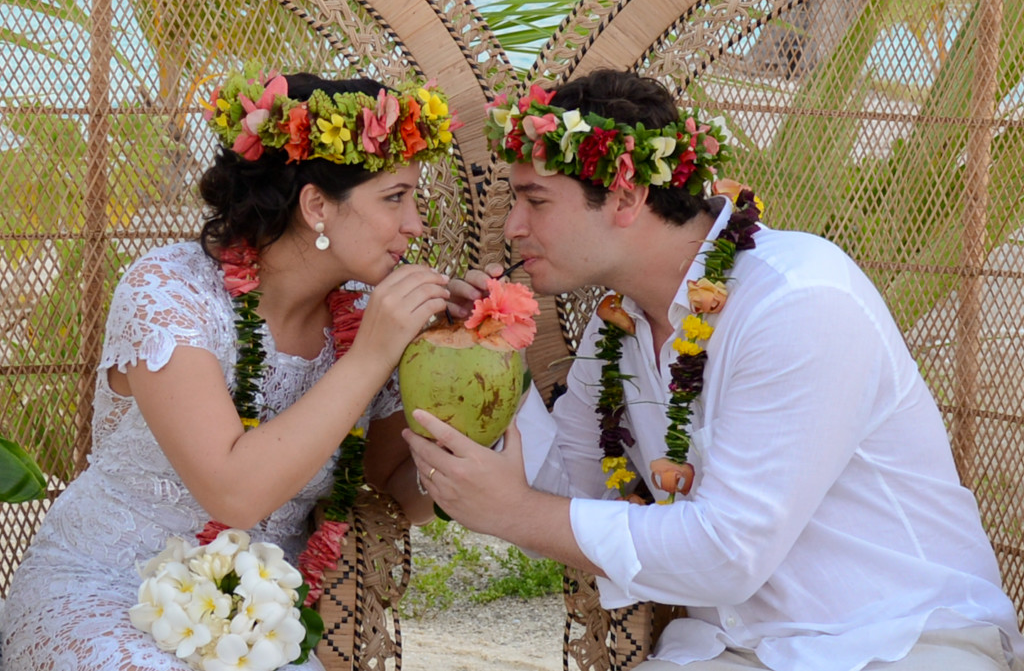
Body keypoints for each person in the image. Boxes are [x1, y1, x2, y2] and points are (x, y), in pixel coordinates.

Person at [405, 69, 1024, 671]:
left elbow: (729, 553)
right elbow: (569, 486)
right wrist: (485, 359)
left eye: (534, 200)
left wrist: (511, 513)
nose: (513, 228)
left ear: (625, 196)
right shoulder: (617, 325)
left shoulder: (798, 300)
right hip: (730, 651)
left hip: (901, 639)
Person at [0, 65, 455, 668]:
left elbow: (402, 487)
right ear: (316, 205)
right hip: (108, 592)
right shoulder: (168, 293)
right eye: (395, 198)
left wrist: (466, 376)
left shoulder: (368, 317)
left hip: (257, 623)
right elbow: (233, 492)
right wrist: (374, 352)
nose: (414, 225)